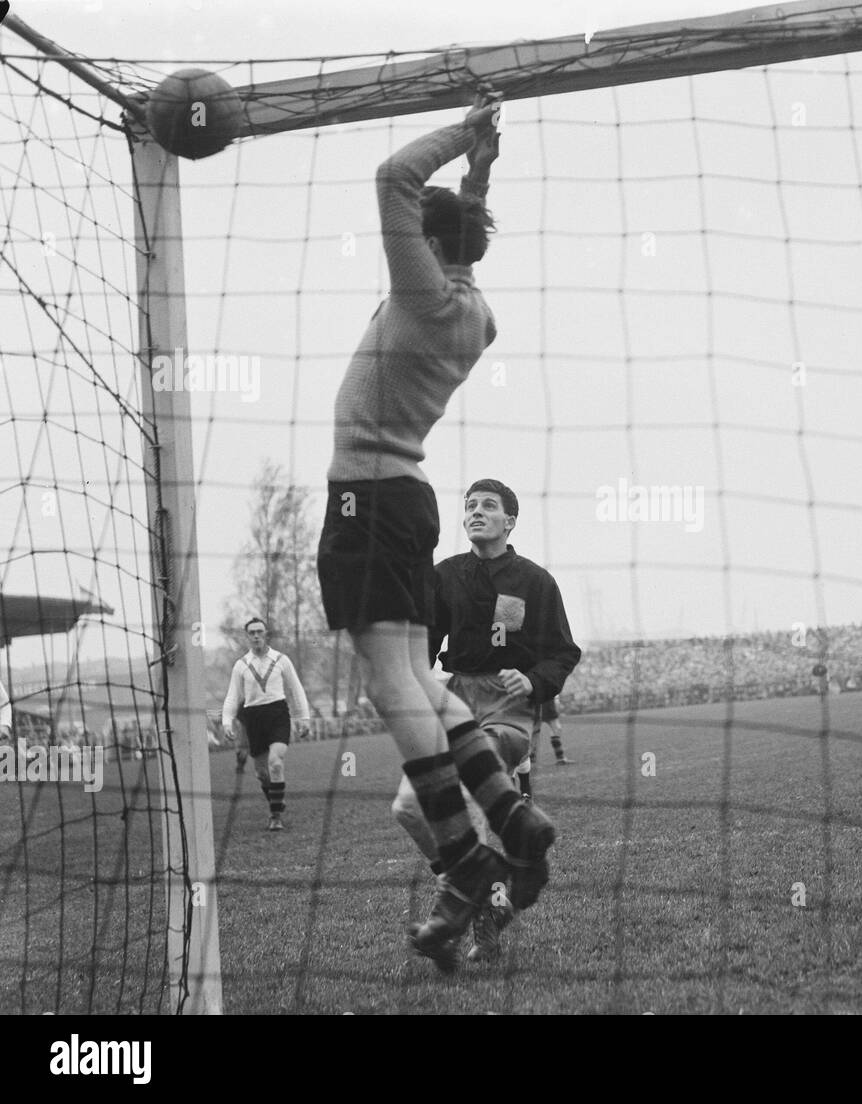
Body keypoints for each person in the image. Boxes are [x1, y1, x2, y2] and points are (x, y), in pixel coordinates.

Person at [315, 93, 556, 975]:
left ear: (429, 241)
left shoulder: (420, 296)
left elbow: (392, 178)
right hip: (406, 501)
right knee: (421, 676)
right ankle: (513, 813)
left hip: (368, 503)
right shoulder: (473, 309)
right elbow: (453, 220)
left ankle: (464, 857)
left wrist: (465, 130)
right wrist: (481, 166)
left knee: (392, 686)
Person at [391, 478, 581, 963]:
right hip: (454, 697)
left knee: (463, 791)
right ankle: (481, 898)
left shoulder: (536, 582)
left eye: (488, 506)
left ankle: (456, 911)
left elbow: (563, 652)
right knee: (409, 806)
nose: (476, 512)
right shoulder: (444, 576)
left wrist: (534, 679)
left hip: (507, 708)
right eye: (470, 505)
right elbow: (424, 649)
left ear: (509, 521)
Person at [221, 617, 311, 830]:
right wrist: (227, 722)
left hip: (278, 713)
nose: (256, 636)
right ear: (247, 636)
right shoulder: (241, 666)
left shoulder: (281, 660)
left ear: (266, 634)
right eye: (251, 632)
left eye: (260, 631)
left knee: (276, 762)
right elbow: (232, 696)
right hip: (253, 718)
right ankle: (276, 801)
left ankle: (275, 816)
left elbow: (296, 689)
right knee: (262, 773)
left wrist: (303, 718)